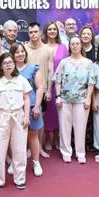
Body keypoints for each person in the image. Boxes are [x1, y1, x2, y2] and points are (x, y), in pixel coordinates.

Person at [0, 53, 31, 190]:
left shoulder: (22, 80)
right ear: (0, 65)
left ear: (14, 64)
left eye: (10, 62)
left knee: (19, 149)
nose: (8, 65)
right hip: (1, 117)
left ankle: (20, 178)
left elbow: (26, 99)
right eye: (5, 63)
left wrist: (26, 117)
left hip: (19, 116)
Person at [53, 36, 95, 164]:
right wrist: (58, 96)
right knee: (64, 127)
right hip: (65, 100)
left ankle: (80, 153)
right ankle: (66, 151)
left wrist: (88, 98)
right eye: (73, 44)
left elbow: (91, 82)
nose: (75, 46)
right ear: (69, 46)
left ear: (81, 46)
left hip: (81, 100)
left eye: (77, 43)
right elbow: (58, 80)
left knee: (80, 128)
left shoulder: (88, 63)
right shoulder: (64, 62)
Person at [10, 43, 44, 177]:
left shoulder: (33, 68)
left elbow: (40, 88)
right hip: (14, 108)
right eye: (17, 52)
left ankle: (36, 162)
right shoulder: (9, 69)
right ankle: (14, 162)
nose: (20, 54)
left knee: (33, 136)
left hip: (31, 107)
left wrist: (36, 106)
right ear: (12, 55)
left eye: (22, 51)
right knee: (14, 138)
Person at [25, 22, 54, 162]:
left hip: (42, 90)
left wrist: (48, 90)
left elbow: (50, 71)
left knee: (39, 121)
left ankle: (40, 147)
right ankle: (29, 148)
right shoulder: (23, 49)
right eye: (30, 32)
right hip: (27, 91)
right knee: (26, 120)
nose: (33, 34)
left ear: (40, 32)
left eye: (35, 32)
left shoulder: (48, 49)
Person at [42, 22, 69, 150]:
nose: (52, 31)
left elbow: (67, 67)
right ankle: (47, 138)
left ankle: (57, 138)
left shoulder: (63, 47)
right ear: (46, 31)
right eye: (49, 29)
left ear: (57, 32)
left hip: (59, 87)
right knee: (47, 113)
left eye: (54, 29)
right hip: (45, 86)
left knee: (59, 113)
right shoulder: (42, 47)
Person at [92, 51, 99, 162]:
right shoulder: (95, 66)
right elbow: (92, 85)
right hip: (98, 95)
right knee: (98, 124)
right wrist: (94, 101)